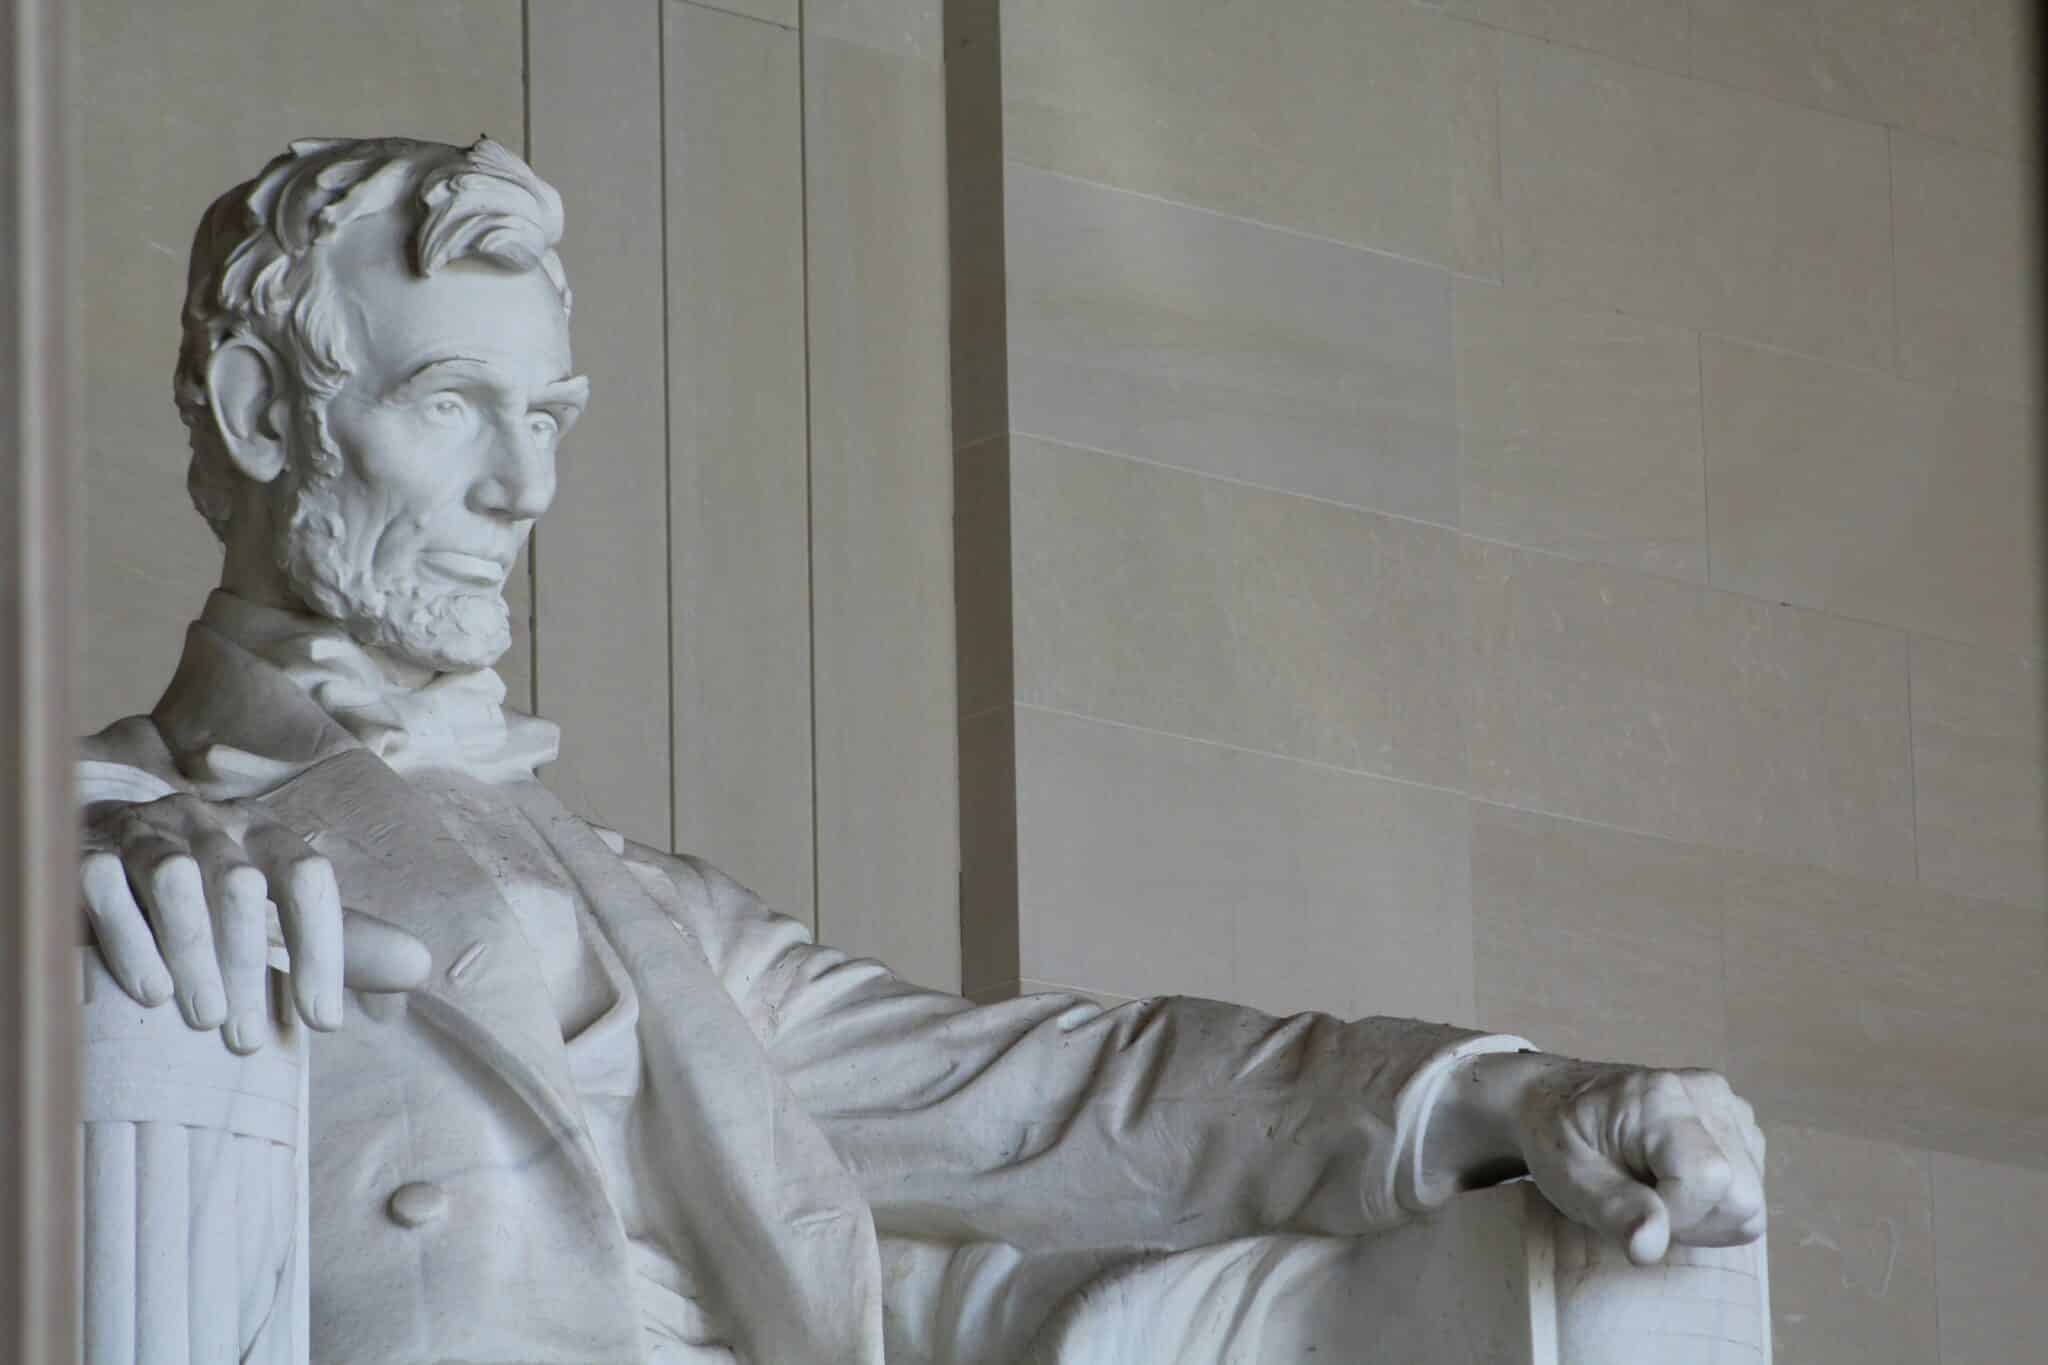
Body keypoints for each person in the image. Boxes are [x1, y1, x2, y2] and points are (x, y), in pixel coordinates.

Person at [77, 136, 1765, 1365]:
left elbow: (1049, 1089)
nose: (523, 490)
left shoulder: (654, 917)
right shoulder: (89, 845)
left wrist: (1499, 1093)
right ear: (254, 407)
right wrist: (82, 910)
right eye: (455, 406)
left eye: (549, 420)